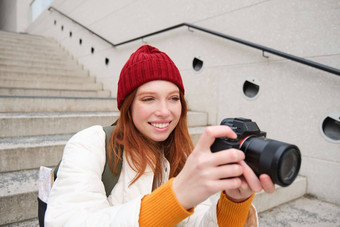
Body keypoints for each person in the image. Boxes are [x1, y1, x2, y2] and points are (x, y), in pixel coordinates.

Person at [45, 45, 275, 226]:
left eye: (173, 98)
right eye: (148, 99)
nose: (165, 111)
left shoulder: (183, 155)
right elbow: (69, 221)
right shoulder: (90, 143)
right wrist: (176, 196)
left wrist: (234, 202)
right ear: (128, 106)